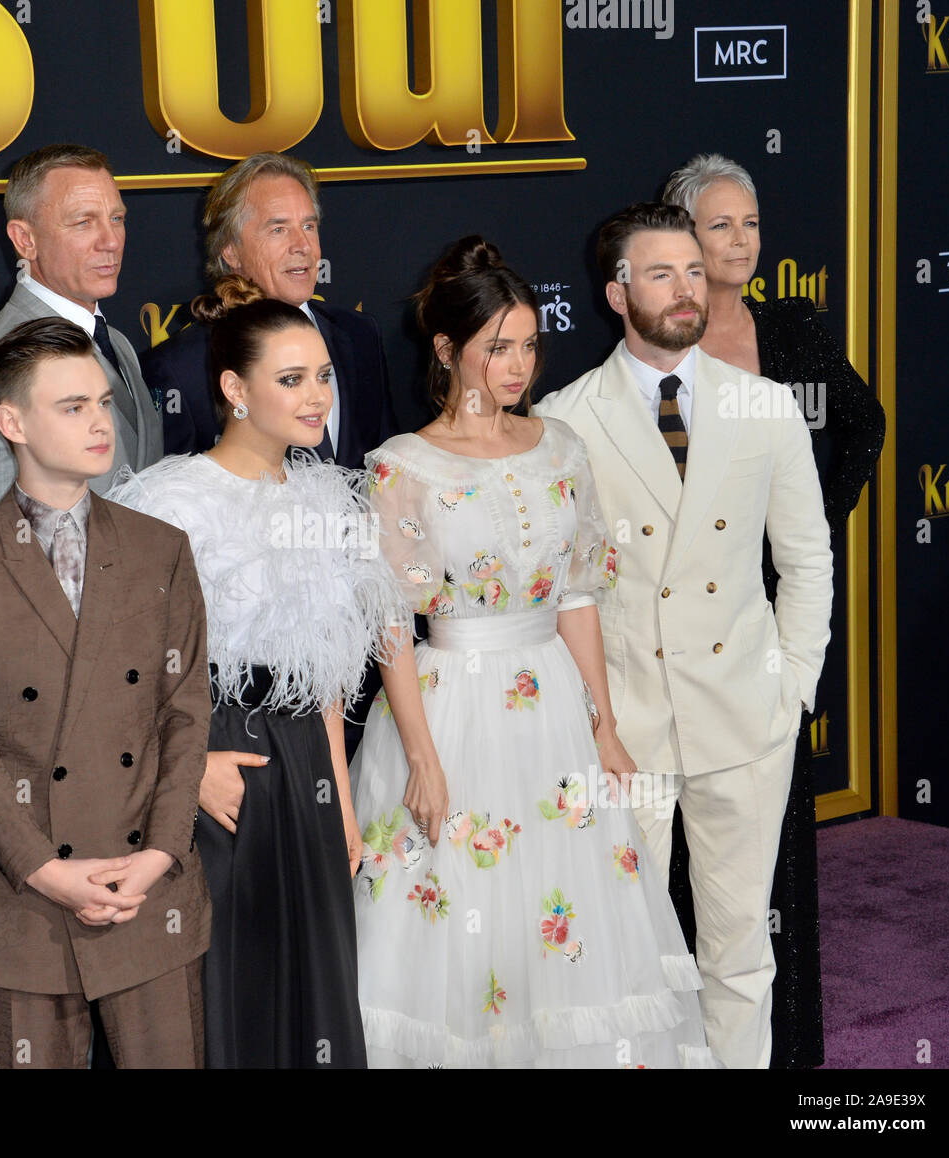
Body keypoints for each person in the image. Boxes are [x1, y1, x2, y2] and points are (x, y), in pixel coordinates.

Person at [351, 236, 716, 1069]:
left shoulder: (559, 448)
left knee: (571, 910)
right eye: (496, 349)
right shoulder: (399, 467)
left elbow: (579, 594)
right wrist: (421, 756)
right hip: (450, 705)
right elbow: (391, 628)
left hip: (549, 704)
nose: (517, 367)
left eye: (527, 345)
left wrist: (606, 726)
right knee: (456, 908)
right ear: (447, 351)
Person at [534, 203, 834, 1068]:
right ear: (616, 293)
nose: (685, 289)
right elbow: (563, 589)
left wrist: (794, 688)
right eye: (660, 274)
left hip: (744, 720)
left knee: (740, 954)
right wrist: (591, 721)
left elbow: (807, 561)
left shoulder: (767, 407)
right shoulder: (568, 420)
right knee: (625, 956)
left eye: (694, 271)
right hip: (624, 729)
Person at [113, 275, 401, 1068]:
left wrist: (342, 803)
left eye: (322, 377)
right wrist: (189, 772)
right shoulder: (171, 502)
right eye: (291, 379)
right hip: (216, 752)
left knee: (320, 974)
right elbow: (124, 668)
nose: (316, 398)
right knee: (230, 983)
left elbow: (329, 675)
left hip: (306, 757)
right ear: (235, 389)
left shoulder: (332, 500)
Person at [0, 318, 211, 1068]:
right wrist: (46, 869)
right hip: (25, 901)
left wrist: (160, 854)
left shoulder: (160, 550)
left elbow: (185, 713)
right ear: (12, 422)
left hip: (150, 891)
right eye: (73, 406)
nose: (101, 422)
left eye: (104, 403)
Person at [662, 153, 886, 1068]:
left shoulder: (794, 330)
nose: (741, 242)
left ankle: (783, 1052)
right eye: (720, 226)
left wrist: (802, 523)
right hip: (677, 638)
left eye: (750, 225)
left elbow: (861, 426)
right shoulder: (660, 336)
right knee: (680, 847)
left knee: (771, 847)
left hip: (765, 614)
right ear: (682, 237)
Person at [0, 143, 162, 526]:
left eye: (117, 218)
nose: (110, 240)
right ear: (25, 240)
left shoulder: (119, 344)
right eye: (83, 222)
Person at [140, 152, 398, 469]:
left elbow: (383, 467)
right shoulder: (181, 367)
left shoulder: (359, 335)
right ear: (230, 250)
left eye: (308, 225)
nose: (302, 245)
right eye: (278, 229)